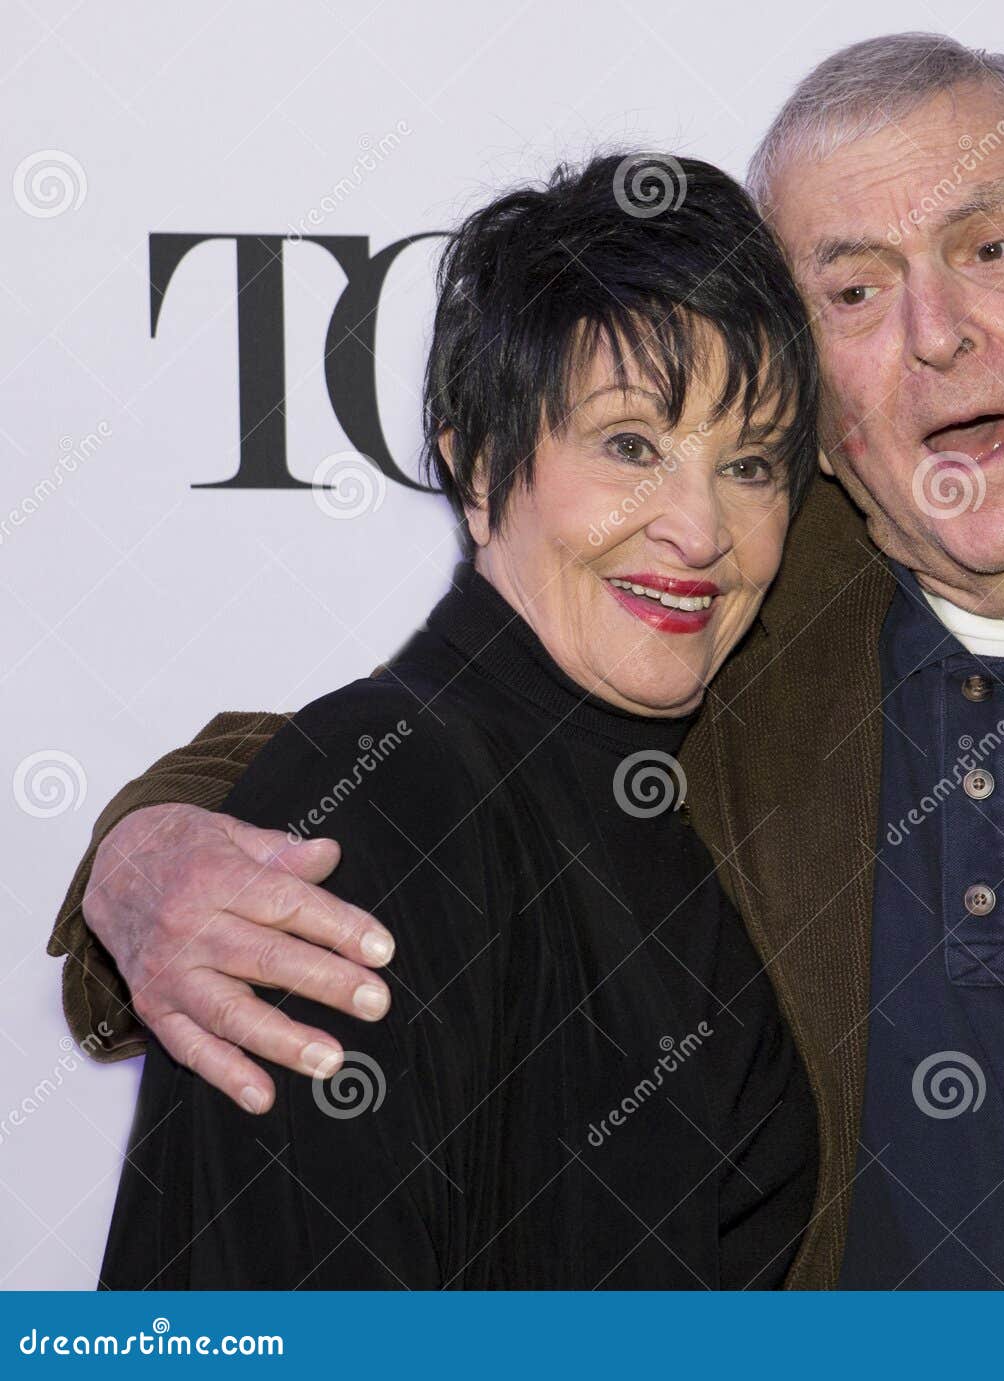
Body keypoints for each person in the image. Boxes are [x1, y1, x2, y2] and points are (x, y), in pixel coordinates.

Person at [54, 35, 1004, 1290]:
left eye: (988, 246)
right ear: (807, 379)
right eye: (854, 290)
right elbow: (453, 737)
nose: (936, 334)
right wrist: (147, 851)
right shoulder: (733, 597)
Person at [91, 153, 819, 1289]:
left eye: (752, 463)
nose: (697, 525)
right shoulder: (385, 802)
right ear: (480, 467)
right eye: (631, 444)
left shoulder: (657, 838)